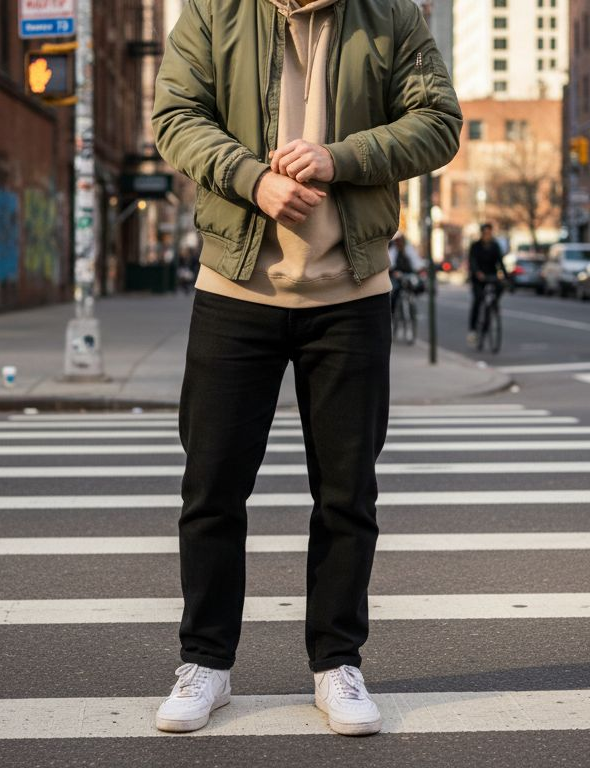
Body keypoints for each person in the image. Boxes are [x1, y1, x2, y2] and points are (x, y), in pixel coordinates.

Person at [152, 0, 461, 737]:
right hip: (236, 286)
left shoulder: (391, 15)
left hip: (351, 291)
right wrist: (252, 179)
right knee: (213, 488)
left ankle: (337, 664)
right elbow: (176, 116)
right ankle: (205, 664)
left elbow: (438, 122)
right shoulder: (213, 10)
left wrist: (338, 157)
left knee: (348, 495)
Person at [467, 223, 508, 345]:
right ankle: (473, 329)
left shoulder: (495, 246)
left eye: (489, 233)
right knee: (478, 299)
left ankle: (493, 305)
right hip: (478, 278)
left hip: (491, 275)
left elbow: (500, 262)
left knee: (500, 287)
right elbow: (472, 261)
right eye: (485, 233)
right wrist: (477, 273)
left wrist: (505, 276)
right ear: (482, 234)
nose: (487, 236)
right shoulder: (475, 246)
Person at [388, 233, 420, 314]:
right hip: (397, 275)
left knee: (416, 286)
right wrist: (393, 271)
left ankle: (412, 307)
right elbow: (391, 262)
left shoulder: (408, 248)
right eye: (398, 241)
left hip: (408, 274)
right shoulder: (393, 250)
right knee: (395, 291)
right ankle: (393, 312)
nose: (399, 243)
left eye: (401, 241)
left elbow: (415, 260)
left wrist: (419, 268)